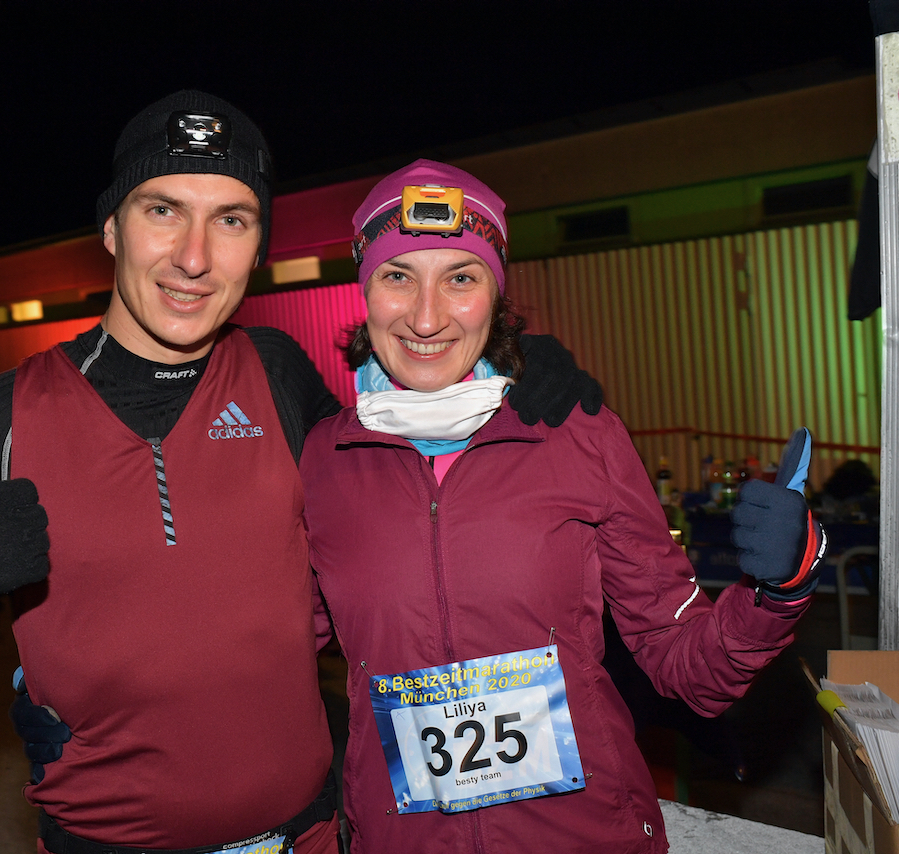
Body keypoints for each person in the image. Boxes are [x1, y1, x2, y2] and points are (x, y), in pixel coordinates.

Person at [0, 91, 601, 854]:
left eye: (232, 220)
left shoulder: (279, 374)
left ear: (257, 247)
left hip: (308, 835)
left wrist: (510, 369)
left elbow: (405, 491)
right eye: (163, 210)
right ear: (109, 227)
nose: (194, 258)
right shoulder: (2, 417)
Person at [292, 160, 824, 852]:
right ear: (365, 292)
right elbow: (268, 659)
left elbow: (685, 666)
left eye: (461, 277)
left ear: (496, 294)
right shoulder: (324, 461)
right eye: (399, 276)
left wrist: (779, 587)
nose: (426, 316)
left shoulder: (578, 433)